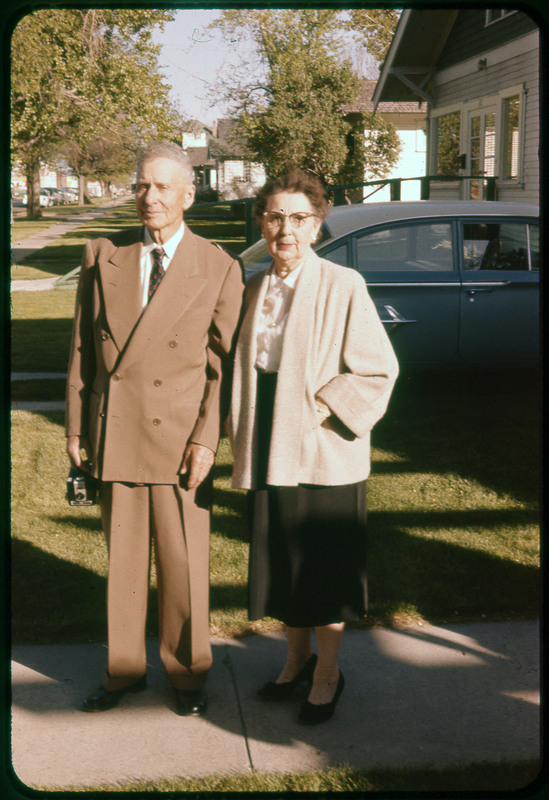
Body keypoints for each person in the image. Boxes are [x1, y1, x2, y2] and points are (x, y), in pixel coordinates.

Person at [65, 141, 244, 716]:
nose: (150, 197)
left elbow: (226, 368)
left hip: (178, 443)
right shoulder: (105, 260)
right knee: (122, 564)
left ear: (189, 194)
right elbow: (81, 355)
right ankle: (122, 673)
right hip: (114, 433)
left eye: (163, 186)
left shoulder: (218, 266)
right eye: (143, 185)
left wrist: (206, 440)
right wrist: (75, 429)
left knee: (182, 563)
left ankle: (188, 675)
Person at [229, 170, 398, 725]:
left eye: (299, 218)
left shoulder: (342, 284)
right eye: (275, 216)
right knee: (283, 562)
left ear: (318, 223)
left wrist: (323, 407)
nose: (286, 229)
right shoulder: (253, 286)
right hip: (270, 440)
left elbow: (378, 369)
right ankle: (294, 662)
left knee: (324, 569)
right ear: (262, 221)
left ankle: (328, 674)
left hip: (324, 447)